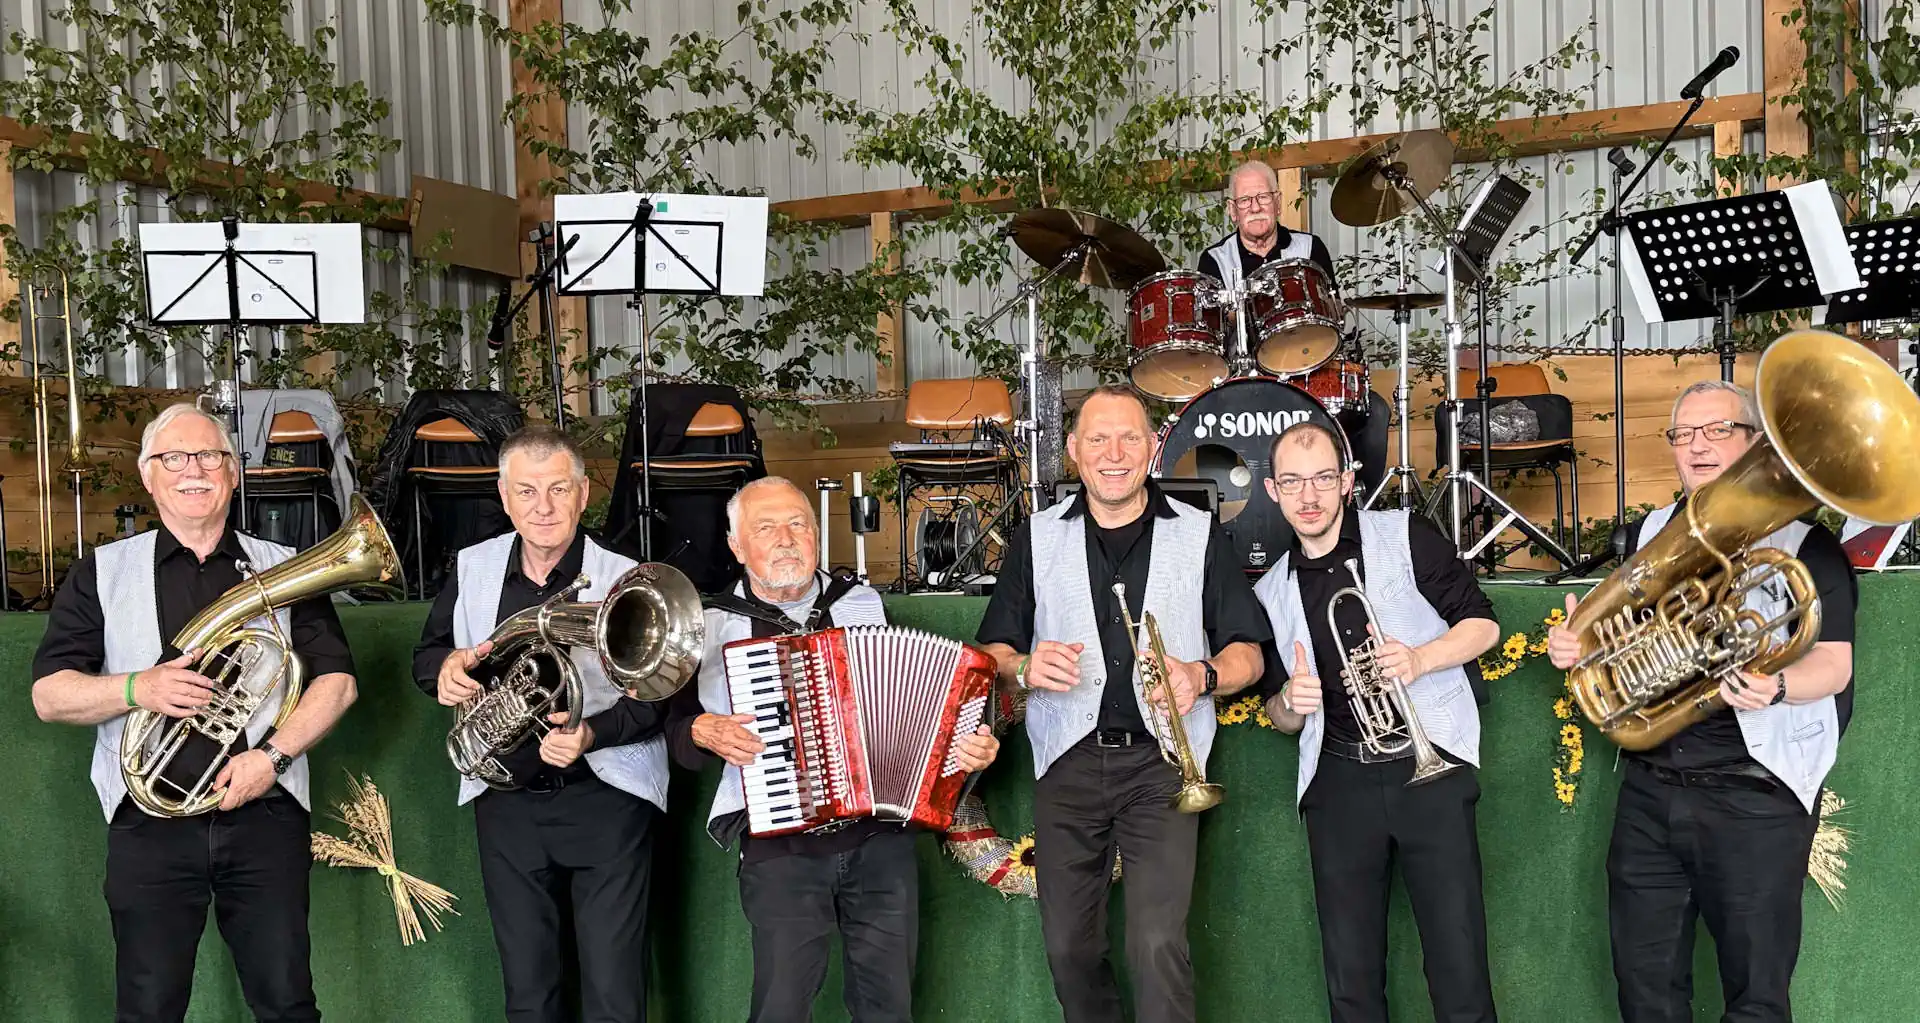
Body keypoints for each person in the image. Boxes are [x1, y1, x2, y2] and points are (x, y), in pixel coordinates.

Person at [31, 403, 359, 1023]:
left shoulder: (285, 566)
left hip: (262, 807)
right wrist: (139, 689)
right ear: (148, 476)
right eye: (173, 458)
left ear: (233, 472)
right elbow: (50, 695)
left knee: (288, 1002)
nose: (194, 470)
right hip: (148, 822)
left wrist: (272, 757)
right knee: (149, 1007)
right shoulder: (100, 573)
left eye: (210, 455)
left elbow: (337, 683)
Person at [1546, 379, 1856, 1023]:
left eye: (1717, 430)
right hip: (1652, 792)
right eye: (1683, 434)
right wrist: (1578, 649)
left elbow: (1834, 663)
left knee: (1756, 998)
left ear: (1755, 443)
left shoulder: (1809, 546)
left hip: (1757, 798)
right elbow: (1609, 637)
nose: (1697, 447)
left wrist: (1776, 687)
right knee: (1646, 991)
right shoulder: (1649, 534)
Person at [974, 384, 1270, 1023]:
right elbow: (991, 655)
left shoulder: (1199, 535)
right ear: (1074, 451)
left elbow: (1250, 651)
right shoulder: (1036, 537)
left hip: (1162, 768)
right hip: (1067, 765)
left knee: (1157, 943)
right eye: (1098, 439)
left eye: (1130, 437)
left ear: (1153, 448)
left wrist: (1202, 674)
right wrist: (1023, 666)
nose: (1114, 453)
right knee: (1068, 948)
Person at [665, 475, 999, 1023]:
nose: (785, 538)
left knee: (888, 1007)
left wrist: (969, 750)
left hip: (880, 837)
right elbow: (674, 730)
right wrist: (702, 730)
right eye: (765, 527)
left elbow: (909, 703)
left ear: (817, 534)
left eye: (798, 523)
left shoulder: (860, 603)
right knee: (780, 1006)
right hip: (780, 843)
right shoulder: (709, 622)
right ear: (736, 545)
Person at [414, 425, 668, 1023]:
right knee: (529, 991)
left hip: (606, 797)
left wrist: (590, 735)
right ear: (504, 498)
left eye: (558, 489)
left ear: (584, 495)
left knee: (614, 991)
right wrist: (444, 670)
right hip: (506, 803)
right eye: (526, 492)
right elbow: (427, 657)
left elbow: (660, 696)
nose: (543, 507)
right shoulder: (472, 567)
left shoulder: (628, 577)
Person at [1252, 420, 1501, 1023]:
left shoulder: (1405, 534)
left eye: (1320, 478)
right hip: (1339, 783)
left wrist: (1421, 658)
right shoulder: (1270, 591)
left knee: (1459, 965)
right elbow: (1276, 714)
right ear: (1272, 491)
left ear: (1345, 480)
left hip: (1431, 769)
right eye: (1292, 482)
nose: (1308, 496)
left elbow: (1484, 626)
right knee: (1350, 978)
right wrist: (1291, 702)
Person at [1197, 160, 1340, 294]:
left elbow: (1333, 312)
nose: (1255, 208)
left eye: (1263, 197)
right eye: (1245, 200)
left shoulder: (1311, 249)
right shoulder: (1214, 260)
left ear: (1277, 203)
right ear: (1233, 210)